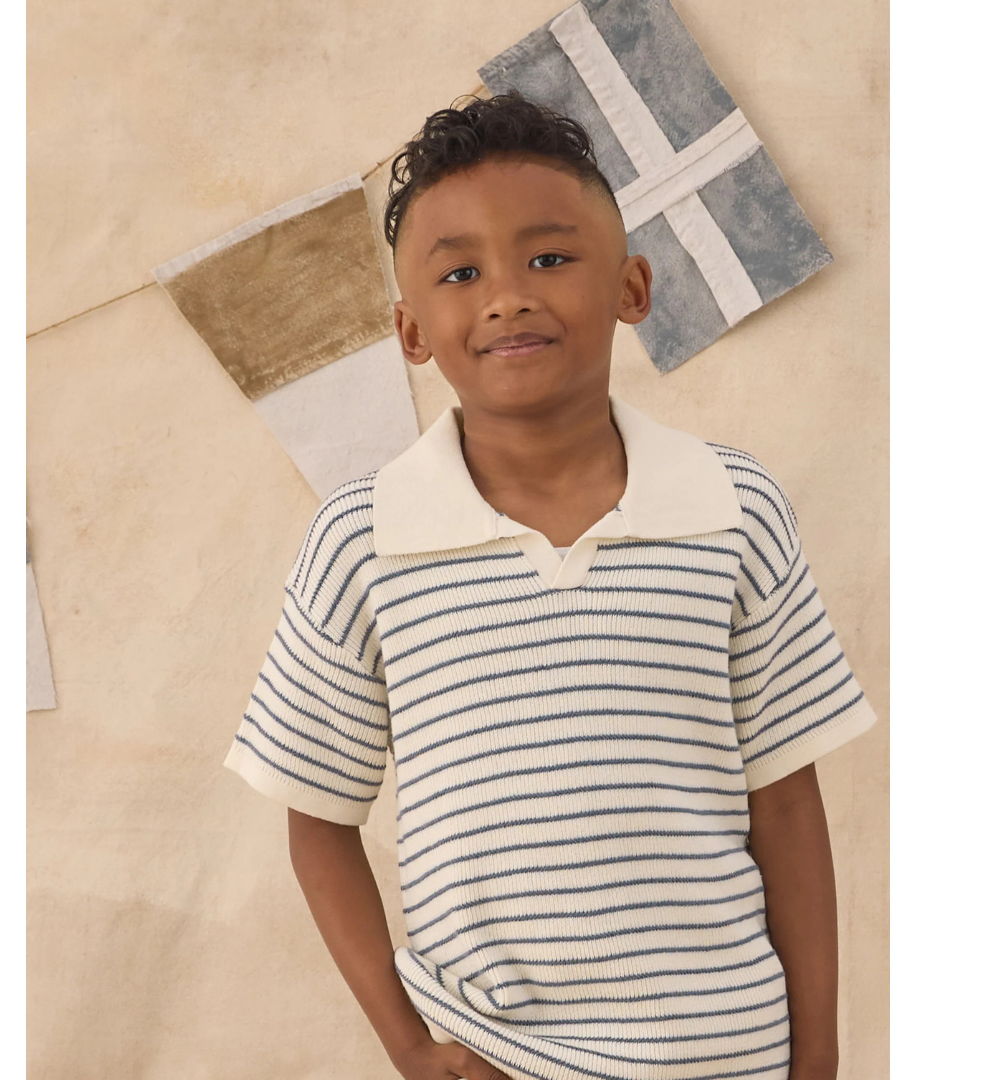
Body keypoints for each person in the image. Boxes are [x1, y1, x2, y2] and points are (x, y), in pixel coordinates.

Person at [222, 93, 876, 1080]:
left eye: (550, 258)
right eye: (461, 273)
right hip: (496, 1056)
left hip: (728, 1054)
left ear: (632, 286)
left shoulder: (732, 507)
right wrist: (410, 1047)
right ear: (410, 330)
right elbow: (316, 816)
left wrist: (817, 1058)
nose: (507, 297)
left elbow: (785, 805)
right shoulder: (364, 539)